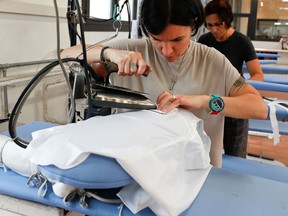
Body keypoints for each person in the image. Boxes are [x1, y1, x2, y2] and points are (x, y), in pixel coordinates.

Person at [61, 0, 268, 167]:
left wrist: (205, 101)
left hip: (195, 172)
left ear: (194, 26)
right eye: (157, 39)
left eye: (177, 39)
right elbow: (65, 54)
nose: (167, 51)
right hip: (136, 169)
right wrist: (108, 53)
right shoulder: (130, 50)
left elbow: (258, 108)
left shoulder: (212, 60)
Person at [198, 0, 264, 159]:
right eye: (209, 25)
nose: (214, 29)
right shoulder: (204, 41)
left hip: (234, 105)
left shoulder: (242, 42)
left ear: (227, 20)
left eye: (218, 24)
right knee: (205, 153)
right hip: (210, 104)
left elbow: (258, 75)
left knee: (236, 155)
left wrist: (240, 89)